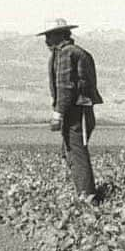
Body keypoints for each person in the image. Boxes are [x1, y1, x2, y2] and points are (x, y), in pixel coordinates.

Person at [37, 18, 103, 204]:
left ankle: (88, 196)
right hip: (80, 110)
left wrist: (58, 113)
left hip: (76, 111)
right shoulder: (76, 52)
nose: (46, 41)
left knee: (76, 152)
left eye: (50, 36)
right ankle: (84, 192)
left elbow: (65, 87)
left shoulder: (66, 54)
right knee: (72, 150)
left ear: (60, 35)